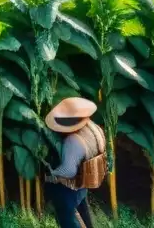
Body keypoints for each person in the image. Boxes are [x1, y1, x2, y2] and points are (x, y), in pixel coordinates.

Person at [43, 97, 107, 228]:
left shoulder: (73, 141)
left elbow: (68, 171)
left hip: (72, 184)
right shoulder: (93, 127)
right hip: (86, 179)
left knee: (67, 218)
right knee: (83, 209)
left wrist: (52, 173)